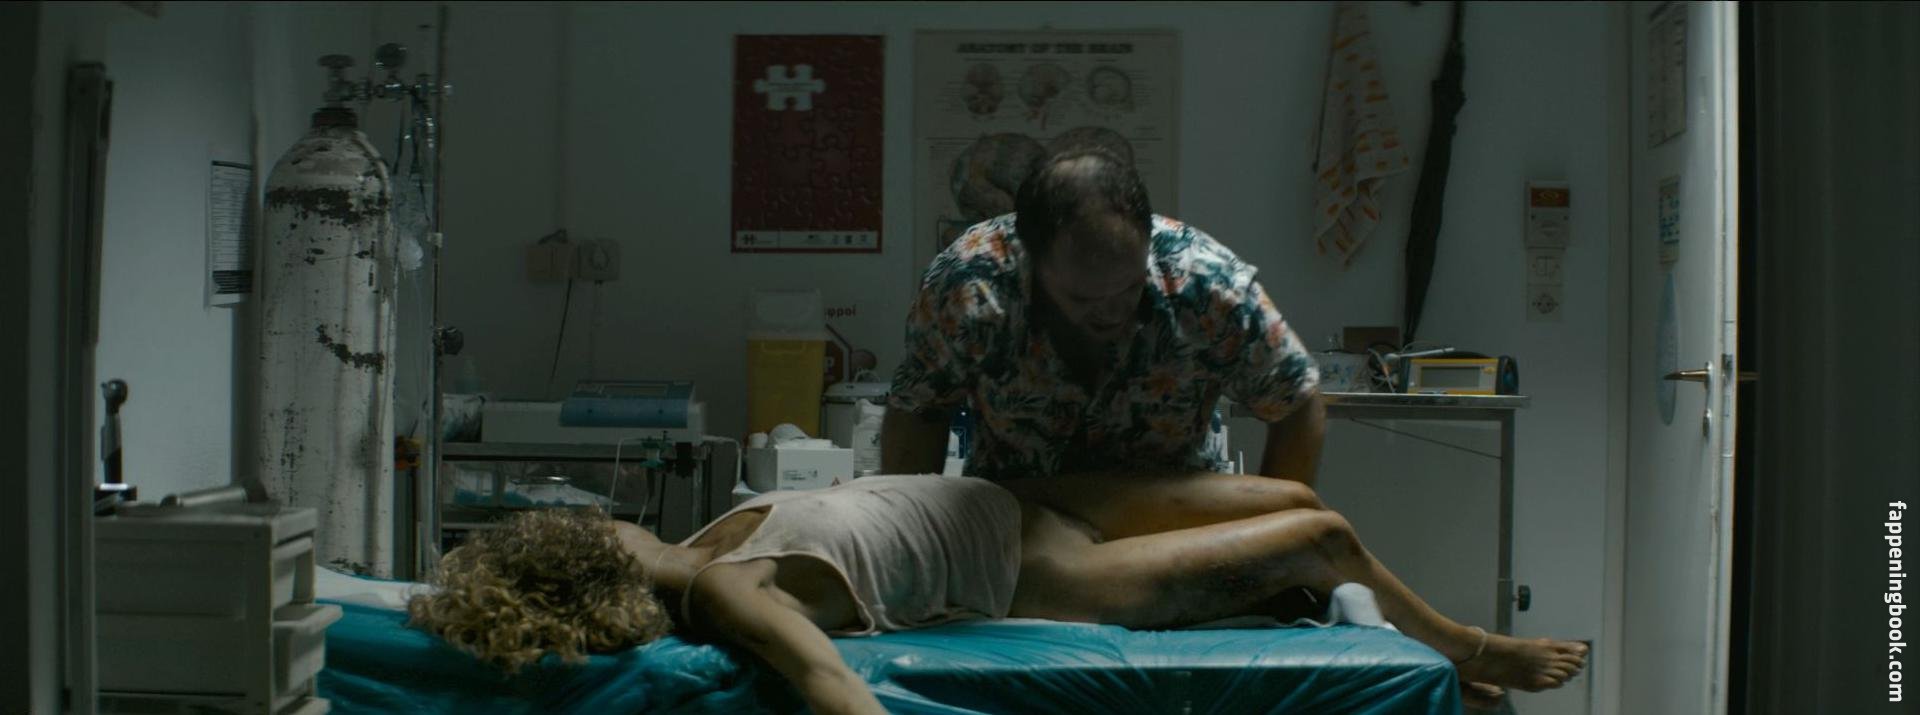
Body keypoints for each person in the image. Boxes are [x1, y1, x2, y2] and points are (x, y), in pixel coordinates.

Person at [409, 473, 1587, 715]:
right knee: (1323, 537)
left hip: (1028, 498)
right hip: (1039, 569)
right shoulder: (724, 586)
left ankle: (1440, 644)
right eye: (594, 531)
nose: (605, 519)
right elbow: (832, 686)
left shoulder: (706, 531)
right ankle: (1471, 651)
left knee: (1291, 492)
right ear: (599, 569)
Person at [884, 149, 1328, 487]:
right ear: (1032, 261)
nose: (1114, 311)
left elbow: (1297, 402)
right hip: (1018, 514)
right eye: (1084, 298)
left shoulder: (1207, 285)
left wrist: (1278, 527)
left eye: (1130, 287)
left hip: (1169, 509)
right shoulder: (969, 288)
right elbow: (920, 412)